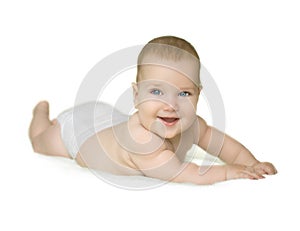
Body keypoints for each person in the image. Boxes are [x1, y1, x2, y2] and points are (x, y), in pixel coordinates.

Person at [29, 35, 277, 185]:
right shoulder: (142, 140)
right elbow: (184, 173)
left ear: (199, 94)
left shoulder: (192, 126)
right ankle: (41, 115)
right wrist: (228, 173)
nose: (171, 105)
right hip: (79, 132)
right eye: (156, 92)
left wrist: (251, 163)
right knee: (41, 142)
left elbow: (224, 145)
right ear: (136, 95)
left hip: (110, 118)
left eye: (184, 93)